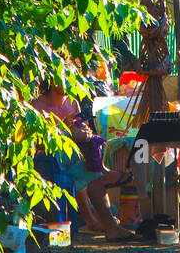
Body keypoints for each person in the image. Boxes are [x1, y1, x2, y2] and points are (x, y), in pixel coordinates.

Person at [32, 81, 135, 239]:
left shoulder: (73, 103)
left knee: (91, 172)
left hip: (74, 157)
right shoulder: (37, 105)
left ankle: (106, 224)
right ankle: (109, 226)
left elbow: (82, 130)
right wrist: (65, 133)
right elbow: (36, 141)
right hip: (47, 160)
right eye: (63, 78)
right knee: (92, 175)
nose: (67, 82)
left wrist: (85, 133)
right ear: (52, 80)